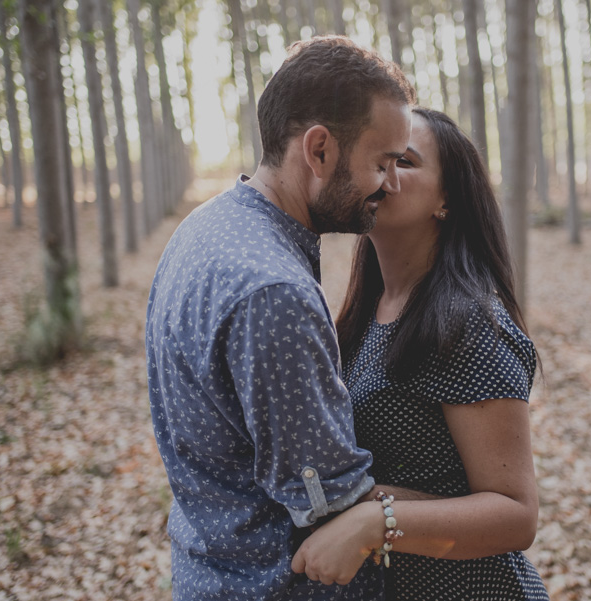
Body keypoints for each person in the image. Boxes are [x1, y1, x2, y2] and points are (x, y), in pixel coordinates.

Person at [145, 36, 414, 601]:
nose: (390, 184)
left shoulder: (207, 226)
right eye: (382, 162)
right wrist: (491, 513)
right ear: (319, 150)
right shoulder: (275, 294)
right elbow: (332, 505)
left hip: (208, 574)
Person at [291, 108, 550, 600]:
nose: (381, 175)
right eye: (377, 158)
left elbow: (516, 514)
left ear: (447, 198)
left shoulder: (466, 321)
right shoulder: (369, 312)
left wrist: (376, 521)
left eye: (403, 162)